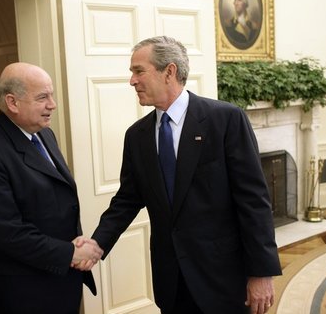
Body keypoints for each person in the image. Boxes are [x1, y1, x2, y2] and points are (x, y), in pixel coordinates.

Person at [89, 36, 282, 314]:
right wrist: (96, 244)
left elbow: (254, 201)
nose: (132, 81)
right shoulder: (137, 136)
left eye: (138, 71)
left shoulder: (225, 119)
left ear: (169, 72)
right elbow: (127, 200)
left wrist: (261, 273)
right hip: (172, 281)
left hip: (223, 279)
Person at [0, 62, 103, 314]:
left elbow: (58, 200)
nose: (53, 104)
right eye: (42, 97)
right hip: (22, 290)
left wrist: (75, 246)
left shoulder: (43, 134)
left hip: (59, 277)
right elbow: (7, 232)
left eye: (51, 95)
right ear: (12, 102)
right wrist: (70, 252)